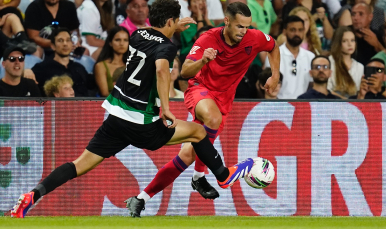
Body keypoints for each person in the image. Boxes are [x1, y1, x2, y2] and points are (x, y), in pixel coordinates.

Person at [10, 0, 255, 218]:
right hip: (142, 122)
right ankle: (223, 176)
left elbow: (154, 35)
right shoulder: (167, 48)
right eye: (175, 21)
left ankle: (32, 195)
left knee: (79, 165)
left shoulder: (137, 34)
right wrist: (167, 108)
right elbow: (161, 69)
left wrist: (173, 26)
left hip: (116, 116)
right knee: (199, 133)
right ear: (170, 21)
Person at [132, 2, 280, 203]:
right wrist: (203, 61)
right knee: (212, 117)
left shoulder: (253, 37)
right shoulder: (207, 39)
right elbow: (185, 72)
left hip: (224, 101)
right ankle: (201, 176)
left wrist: (275, 75)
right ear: (226, 21)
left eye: (247, 26)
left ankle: (141, 199)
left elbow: (273, 46)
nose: (244, 32)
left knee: (186, 156)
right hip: (199, 90)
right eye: (239, 26)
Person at [265, 15, 315, 99]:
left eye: (300, 30)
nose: (297, 33)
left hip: (303, 106)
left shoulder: (310, 57)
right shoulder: (273, 55)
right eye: (293, 30)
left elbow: (312, 85)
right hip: (279, 105)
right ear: (284, 32)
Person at [31, 28, 90, 96]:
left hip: (83, 105)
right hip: (56, 106)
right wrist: (27, 71)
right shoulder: (42, 68)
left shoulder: (79, 68)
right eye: (60, 40)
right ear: (53, 46)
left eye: (68, 40)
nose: (65, 44)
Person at [328, 26, 363, 99]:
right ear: (338, 43)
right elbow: (327, 90)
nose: (350, 44)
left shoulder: (359, 67)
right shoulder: (329, 62)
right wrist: (346, 101)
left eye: (352, 40)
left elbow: (359, 93)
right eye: (345, 41)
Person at [94, 26, 129, 97]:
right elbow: (105, 94)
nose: (122, 43)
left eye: (125, 40)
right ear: (110, 43)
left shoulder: (133, 64)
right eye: (117, 40)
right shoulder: (101, 66)